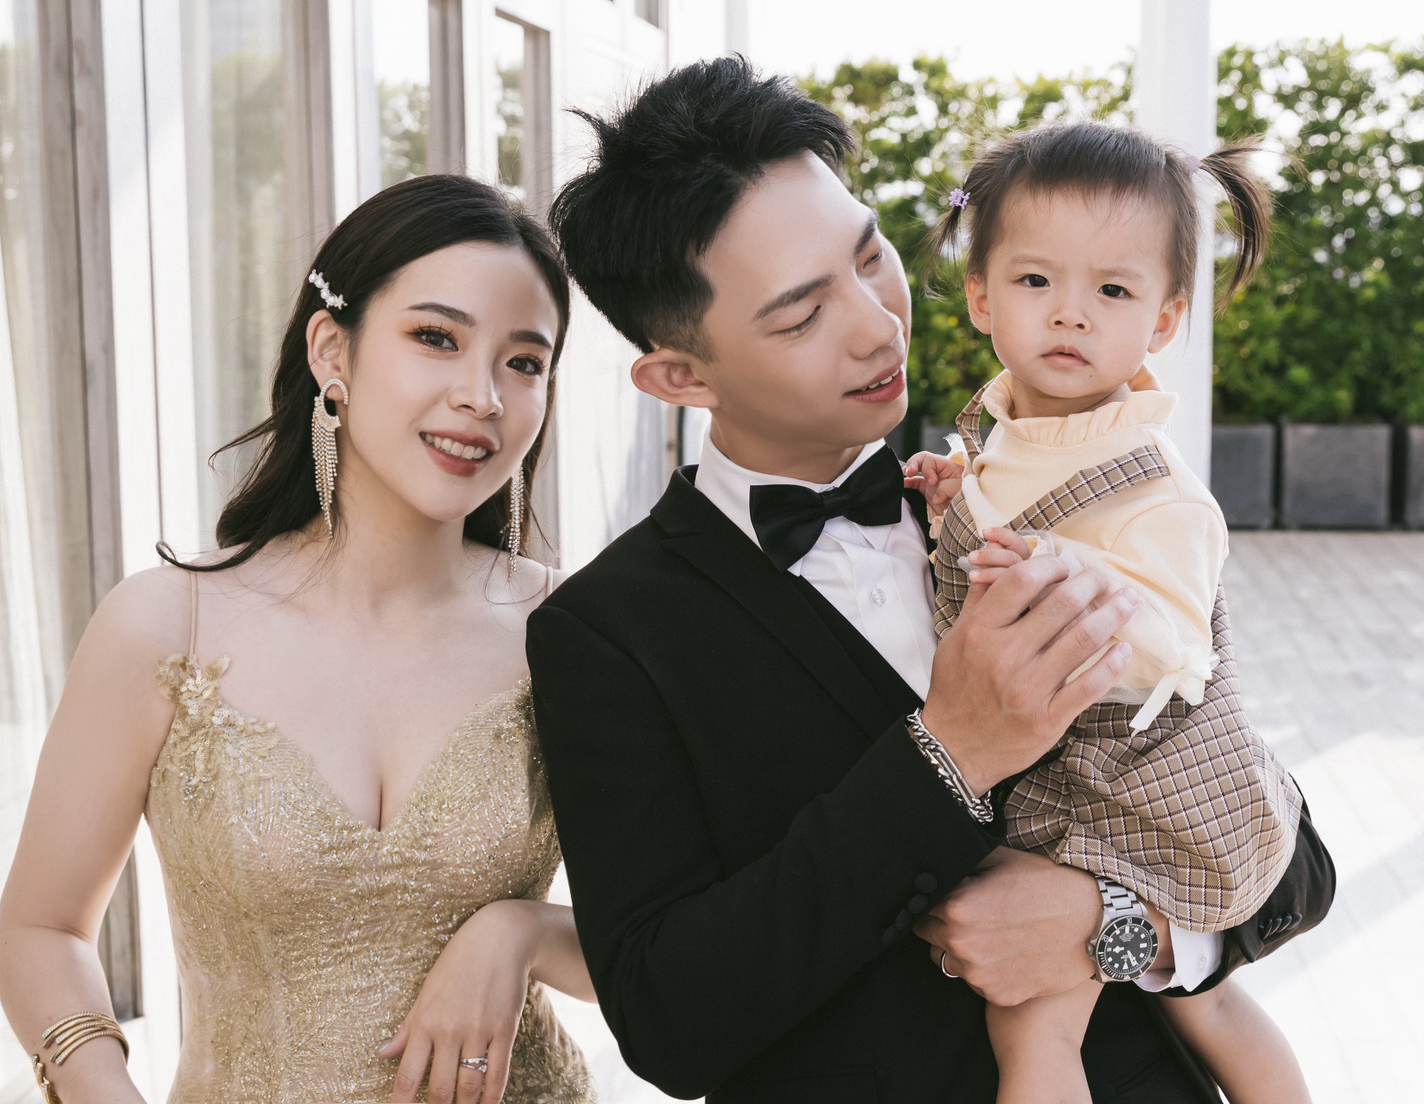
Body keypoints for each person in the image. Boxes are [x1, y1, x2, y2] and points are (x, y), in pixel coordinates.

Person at [527, 56, 1334, 1103]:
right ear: (680, 376)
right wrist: (948, 754)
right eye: (800, 315)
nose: (878, 324)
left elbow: (1288, 860)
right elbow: (670, 1023)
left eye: (871, 258)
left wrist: (1114, 926)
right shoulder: (608, 630)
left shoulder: (1045, 491)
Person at [0, 174, 596, 1104]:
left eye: (524, 362)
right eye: (436, 338)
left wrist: (524, 933)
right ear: (331, 351)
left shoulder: (575, 631)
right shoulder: (169, 627)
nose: (481, 395)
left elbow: (674, 949)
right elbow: (42, 929)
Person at [904, 120, 1311, 1104]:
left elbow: (1176, 650)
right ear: (980, 296)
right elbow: (1011, 507)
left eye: (1113, 292)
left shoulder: (1159, 490)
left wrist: (1060, 573)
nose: (1070, 314)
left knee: (1038, 1026)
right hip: (1077, 777)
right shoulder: (1007, 432)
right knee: (1200, 1003)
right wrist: (958, 501)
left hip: (1143, 788)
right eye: (1036, 280)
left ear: (1164, 320)